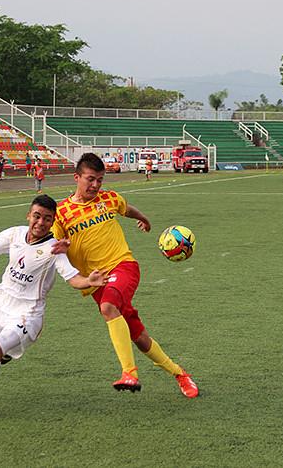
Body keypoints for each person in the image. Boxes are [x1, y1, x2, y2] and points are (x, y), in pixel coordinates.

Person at [0, 194, 107, 422]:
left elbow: (73, 278)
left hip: (27, 314)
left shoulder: (54, 249)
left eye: (47, 219)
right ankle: (5, 353)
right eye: (37, 216)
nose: (40, 222)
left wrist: (89, 281)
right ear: (29, 215)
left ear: (52, 221)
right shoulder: (14, 234)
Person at [52, 153, 199, 398]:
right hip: (96, 281)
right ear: (76, 177)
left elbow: (126, 208)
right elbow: (55, 243)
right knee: (139, 337)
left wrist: (143, 218)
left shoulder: (108, 199)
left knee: (108, 307)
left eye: (100, 179)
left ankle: (129, 373)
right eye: (90, 179)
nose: (96, 185)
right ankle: (180, 374)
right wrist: (61, 246)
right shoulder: (61, 212)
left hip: (123, 266)